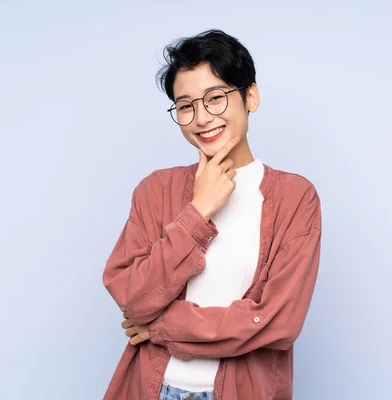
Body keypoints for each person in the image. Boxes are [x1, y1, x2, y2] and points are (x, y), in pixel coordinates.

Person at [102, 29, 322, 400]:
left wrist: (161, 327)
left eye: (216, 98)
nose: (202, 118)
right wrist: (198, 210)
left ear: (250, 96)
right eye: (186, 105)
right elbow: (133, 299)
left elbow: (277, 322)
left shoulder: (295, 198)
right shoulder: (155, 191)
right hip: (151, 390)